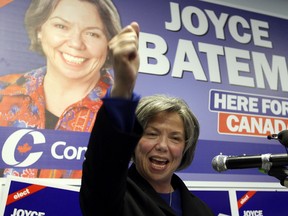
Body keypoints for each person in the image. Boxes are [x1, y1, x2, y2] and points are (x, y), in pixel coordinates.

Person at [80, 21, 214, 216]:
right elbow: (104, 161)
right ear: (133, 141)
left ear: (185, 147)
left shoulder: (201, 209)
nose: (162, 145)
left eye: (175, 138)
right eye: (152, 134)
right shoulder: (111, 194)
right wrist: (123, 86)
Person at [0, 0, 121, 178]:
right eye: (61, 26)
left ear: (109, 44)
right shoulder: (4, 92)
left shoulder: (125, 115)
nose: (76, 43)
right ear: (40, 30)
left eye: (92, 34)